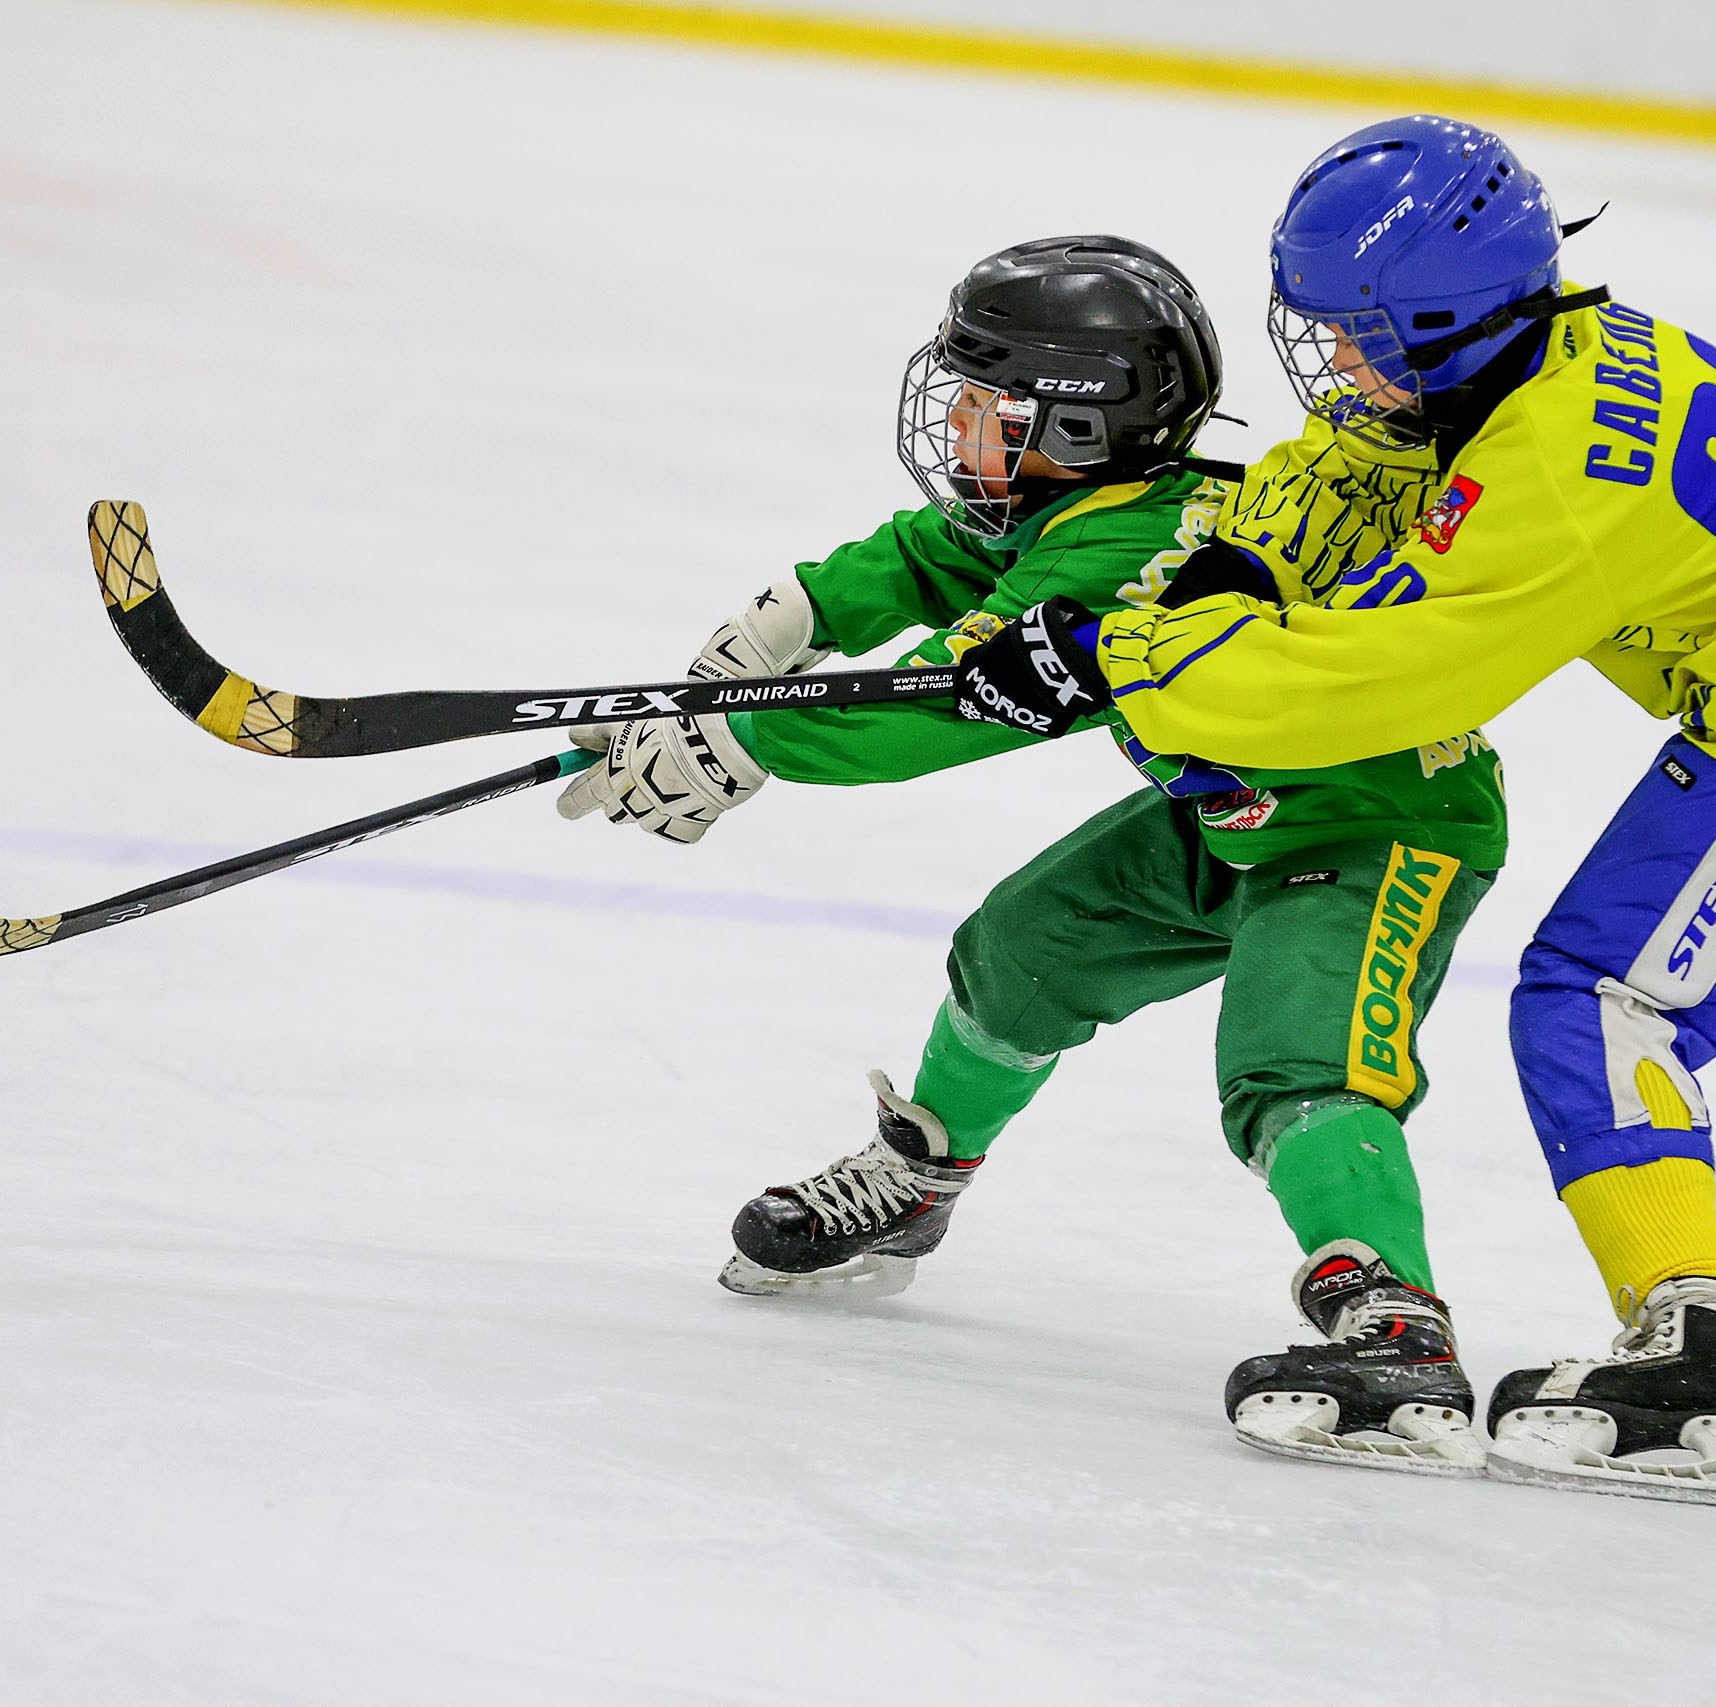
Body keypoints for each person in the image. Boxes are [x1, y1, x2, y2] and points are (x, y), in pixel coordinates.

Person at [947, 115, 1716, 1508]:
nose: (1332, 365)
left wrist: (1119, 658)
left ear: (1441, 323)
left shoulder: (1551, 481)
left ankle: (1701, 1347)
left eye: (1358, 335)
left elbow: (1364, 685)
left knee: (1600, 996)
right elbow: (1362, 471)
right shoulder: (1533, 356)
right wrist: (1224, 560)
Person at [559, 235, 1511, 1473]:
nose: (953, 427)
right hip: (1234, 813)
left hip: (1381, 824)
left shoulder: (1126, 549)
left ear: (1072, 426)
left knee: (1295, 1061)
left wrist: (746, 749)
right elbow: (925, 559)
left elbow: (954, 698)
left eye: (981, 408)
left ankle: (1393, 1322)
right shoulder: (1080, 505)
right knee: (1024, 949)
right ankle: (917, 1181)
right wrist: (789, 617)